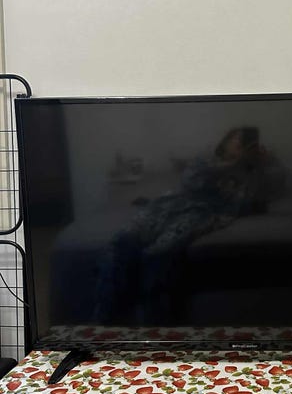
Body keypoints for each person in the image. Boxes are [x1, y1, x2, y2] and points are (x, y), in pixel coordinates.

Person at [93, 127, 272, 324]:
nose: (239, 144)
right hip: (169, 205)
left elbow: (245, 202)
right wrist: (232, 164)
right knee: (123, 242)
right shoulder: (207, 160)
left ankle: (153, 323)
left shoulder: (249, 175)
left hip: (201, 213)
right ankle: (105, 321)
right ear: (226, 141)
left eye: (245, 142)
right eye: (236, 139)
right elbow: (190, 180)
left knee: (160, 253)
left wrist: (259, 167)